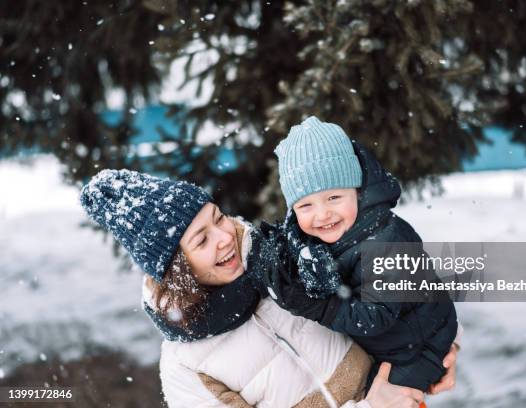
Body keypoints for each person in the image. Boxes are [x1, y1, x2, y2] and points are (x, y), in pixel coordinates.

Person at [79, 169, 457, 408]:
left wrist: (429, 351)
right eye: (201, 240)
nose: (225, 237)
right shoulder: (186, 369)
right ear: (179, 271)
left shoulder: (288, 258)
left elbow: (391, 295)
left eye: (218, 218)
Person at [271, 116, 460, 398]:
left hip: (420, 349)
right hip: (393, 343)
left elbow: (375, 315)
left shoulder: (386, 240)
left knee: (376, 396)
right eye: (306, 205)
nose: (322, 214)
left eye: (334, 198)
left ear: (357, 192)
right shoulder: (334, 233)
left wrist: (320, 306)